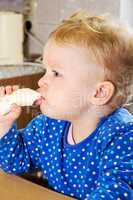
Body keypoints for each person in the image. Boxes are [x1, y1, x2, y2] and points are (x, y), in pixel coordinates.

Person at [0, 10, 133, 200]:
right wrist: (3, 127)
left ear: (99, 93)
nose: (41, 82)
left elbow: (117, 193)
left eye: (56, 73)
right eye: (45, 70)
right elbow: (15, 163)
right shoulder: (49, 126)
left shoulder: (123, 137)